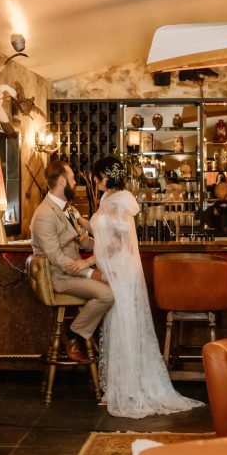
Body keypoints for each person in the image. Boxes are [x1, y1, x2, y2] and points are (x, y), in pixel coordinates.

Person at [87, 156, 203, 418]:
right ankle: (118, 386)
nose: (94, 180)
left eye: (97, 175)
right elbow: (105, 235)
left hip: (121, 269)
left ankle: (128, 389)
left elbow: (117, 242)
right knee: (116, 323)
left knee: (124, 323)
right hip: (115, 268)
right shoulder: (108, 199)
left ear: (105, 176)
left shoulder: (120, 202)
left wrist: (90, 261)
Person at [30, 159, 113, 364]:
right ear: (61, 181)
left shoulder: (66, 208)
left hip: (73, 272)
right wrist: (90, 272)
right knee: (108, 295)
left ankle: (86, 332)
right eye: (73, 178)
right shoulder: (44, 214)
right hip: (59, 277)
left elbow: (81, 240)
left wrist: (107, 244)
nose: (76, 183)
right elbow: (57, 258)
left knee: (115, 283)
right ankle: (72, 335)